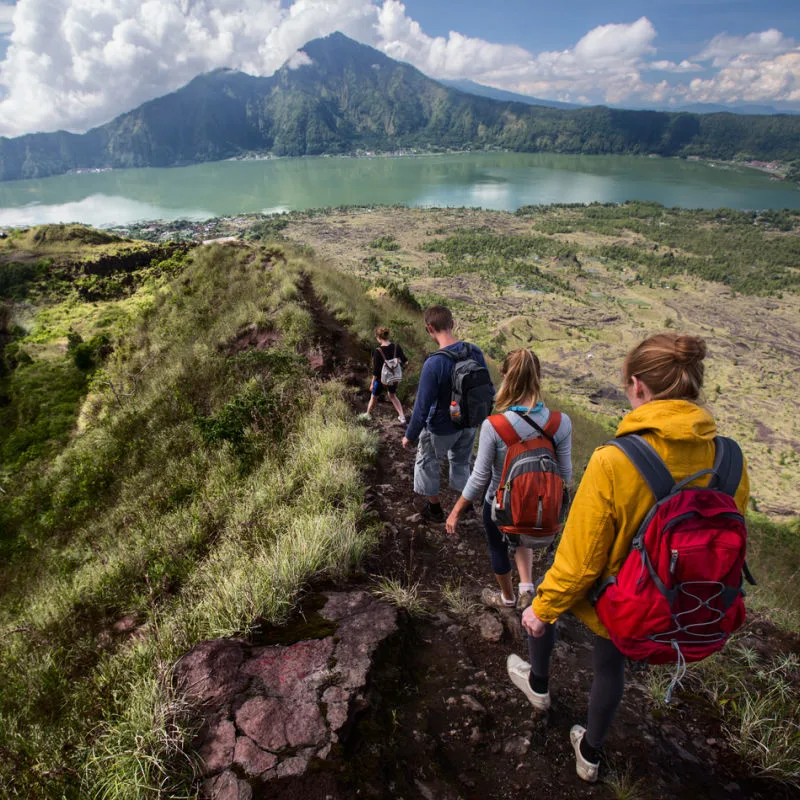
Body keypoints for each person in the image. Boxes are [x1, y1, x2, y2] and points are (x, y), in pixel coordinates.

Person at [511, 333, 749, 783]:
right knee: (610, 664)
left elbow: (579, 561)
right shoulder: (730, 459)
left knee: (549, 598)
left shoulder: (615, 461)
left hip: (620, 600)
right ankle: (591, 753)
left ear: (638, 387)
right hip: (682, 601)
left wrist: (542, 612)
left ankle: (538, 685)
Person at [446, 349, 572, 610]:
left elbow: (480, 476)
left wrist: (456, 511)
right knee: (524, 529)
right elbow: (566, 475)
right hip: (538, 506)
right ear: (538, 377)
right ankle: (527, 588)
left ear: (505, 376)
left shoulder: (495, 424)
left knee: (498, 547)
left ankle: (507, 598)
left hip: (499, 506)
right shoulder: (561, 423)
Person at [402, 305, 493, 523]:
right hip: (470, 423)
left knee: (427, 461)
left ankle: (434, 509)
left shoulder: (434, 364)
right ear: (452, 324)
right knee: (461, 462)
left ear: (429, 328)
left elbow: (422, 407)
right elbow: (488, 389)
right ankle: (466, 507)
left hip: (442, 426)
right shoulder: (474, 352)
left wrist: (410, 435)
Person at [365, 326, 409, 424]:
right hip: (393, 378)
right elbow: (405, 362)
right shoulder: (397, 347)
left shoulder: (378, 351)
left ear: (378, 337)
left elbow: (376, 370)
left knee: (374, 397)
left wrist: (372, 383)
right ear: (388, 336)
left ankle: (367, 414)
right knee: (392, 395)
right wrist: (397, 362)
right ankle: (402, 417)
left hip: (381, 379)